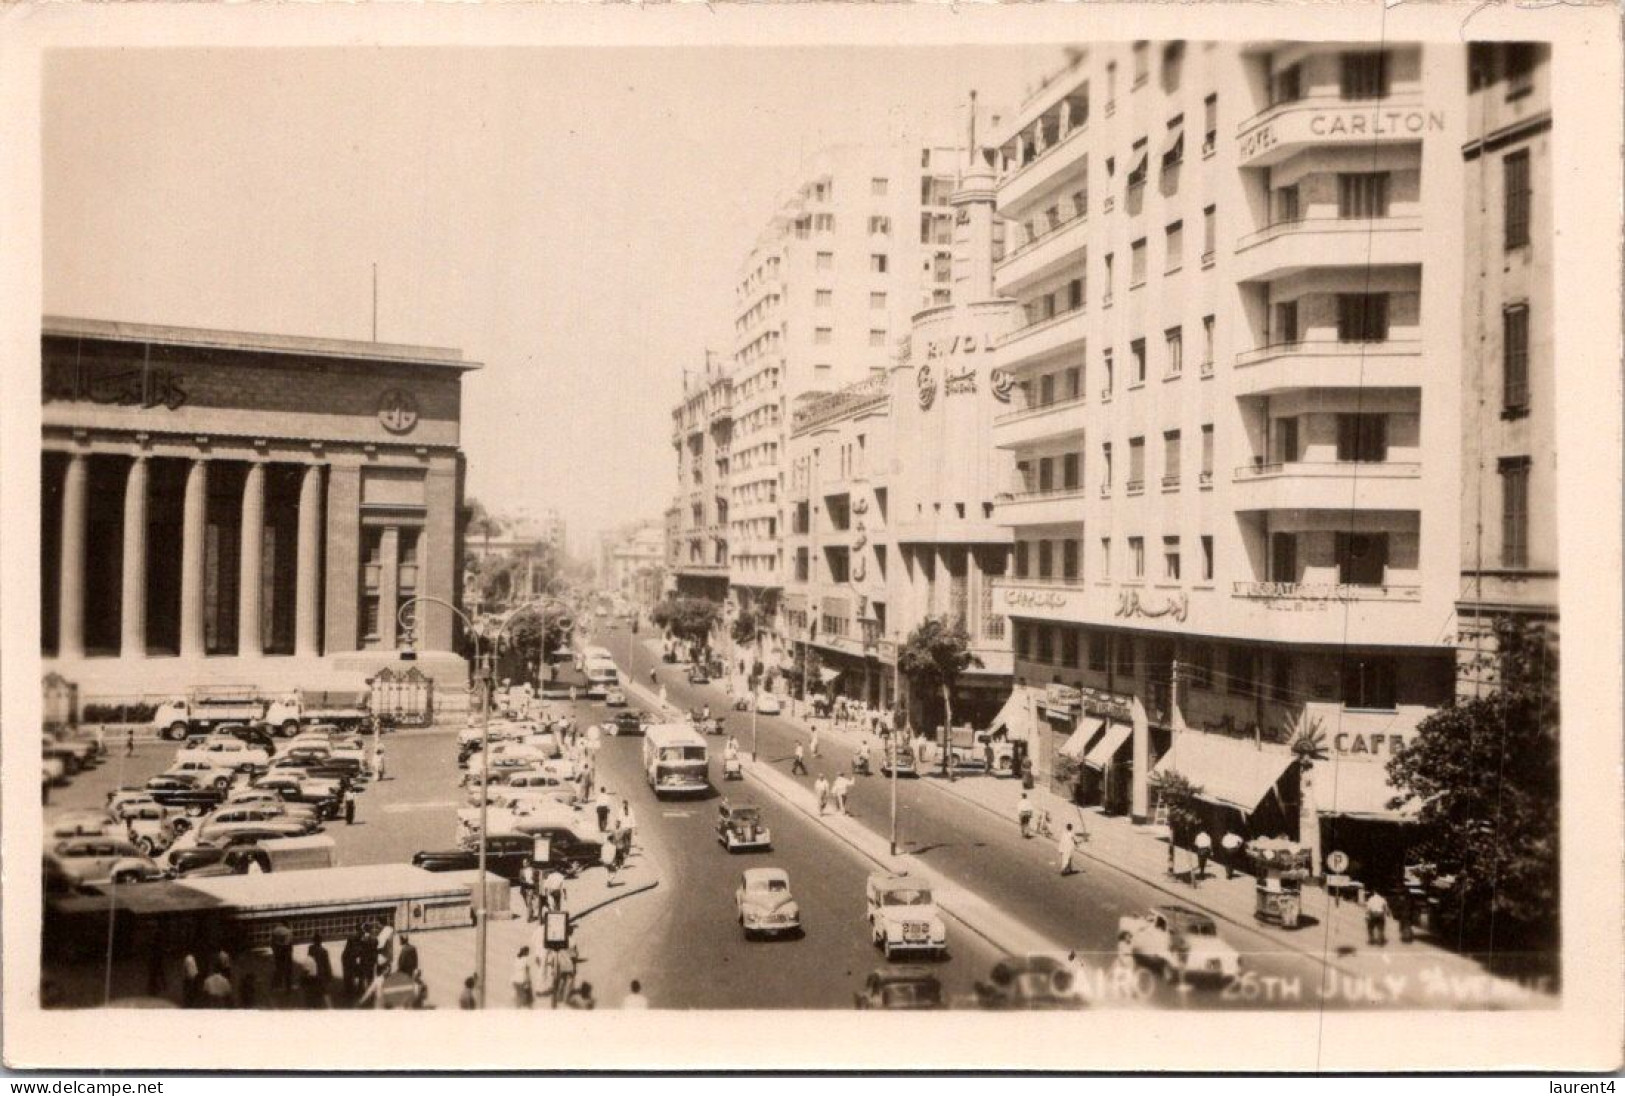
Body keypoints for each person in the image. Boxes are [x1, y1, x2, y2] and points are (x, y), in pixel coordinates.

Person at [270, 920, 295, 992]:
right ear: (286, 924)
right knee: (288, 969)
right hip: (285, 950)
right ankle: (288, 987)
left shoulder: (275, 930)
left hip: (278, 950)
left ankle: (276, 985)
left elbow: (272, 942)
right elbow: (289, 943)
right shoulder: (288, 931)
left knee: (278, 968)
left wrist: (275, 950)